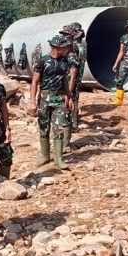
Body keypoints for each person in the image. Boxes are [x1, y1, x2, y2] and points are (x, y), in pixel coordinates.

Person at [29, 35, 75, 169]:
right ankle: (45, 156)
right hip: (45, 97)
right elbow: (34, 81)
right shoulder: (42, 61)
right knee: (44, 128)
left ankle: (58, 159)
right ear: (57, 47)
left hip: (59, 98)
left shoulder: (65, 61)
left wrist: (69, 96)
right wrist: (32, 101)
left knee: (59, 128)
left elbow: (64, 80)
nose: (67, 49)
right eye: (64, 47)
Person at [62, 22, 86, 136]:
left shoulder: (75, 47)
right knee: (73, 99)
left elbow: (73, 67)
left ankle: (73, 124)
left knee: (72, 99)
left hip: (73, 77)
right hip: (75, 76)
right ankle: (73, 123)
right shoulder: (80, 45)